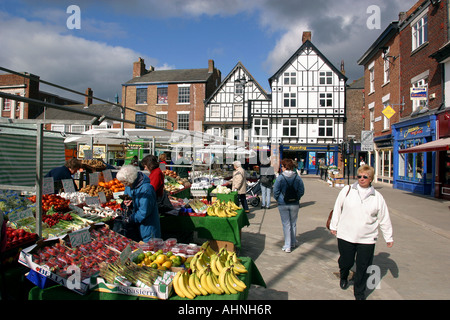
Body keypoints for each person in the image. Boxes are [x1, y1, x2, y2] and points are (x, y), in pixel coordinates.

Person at [329, 164, 394, 300]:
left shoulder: (377, 197)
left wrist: (388, 237)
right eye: (359, 176)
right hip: (346, 235)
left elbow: (384, 217)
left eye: (365, 177)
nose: (362, 179)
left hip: (367, 238)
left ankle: (359, 293)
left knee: (363, 267)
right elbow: (337, 208)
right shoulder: (347, 190)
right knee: (346, 261)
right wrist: (334, 226)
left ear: (371, 179)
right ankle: (344, 274)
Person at [116, 165, 161, 242]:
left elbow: (144, 211)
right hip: (136, 227)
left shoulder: (147, 189)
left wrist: (131, 219)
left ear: (131, 180)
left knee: (149, 250)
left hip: (148, 228)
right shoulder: (129, 186)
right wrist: (127, 203)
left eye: (125, 183)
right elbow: (127, 197)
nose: (124, 185)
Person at [273, 158, 305, 253]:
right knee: (293, 223)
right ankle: (293, 242)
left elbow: (275, 191)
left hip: (283, 204)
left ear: (285, 166)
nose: (281, 168)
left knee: (286, 224)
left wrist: (279, 199)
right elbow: (302, 190)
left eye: (282, 166)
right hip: (294, 203)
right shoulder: (297, 177)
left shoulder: (280, 178)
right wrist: (297, 197)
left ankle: (287, 246)